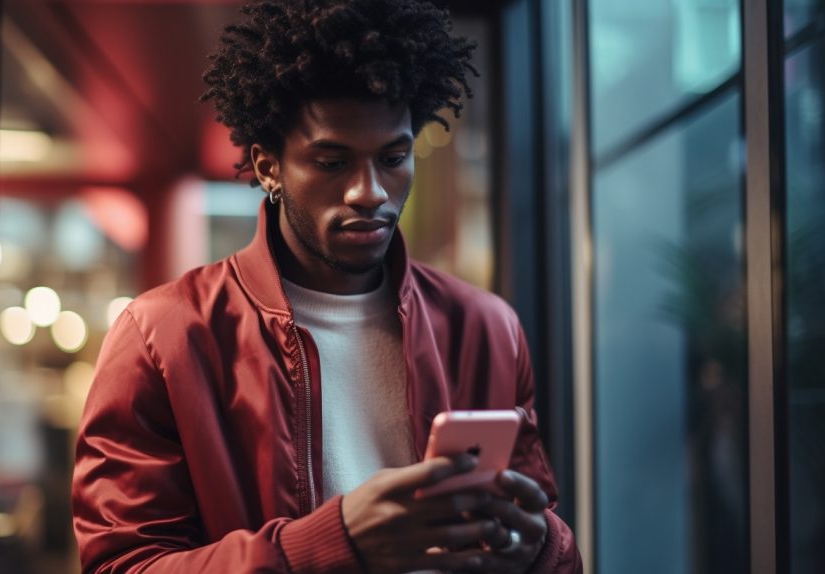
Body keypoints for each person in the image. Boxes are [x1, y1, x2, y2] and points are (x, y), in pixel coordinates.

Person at [72, 1, 582, 572]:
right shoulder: (162, 336)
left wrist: (539, 547)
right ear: (268, 167)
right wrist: (331, 545)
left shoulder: (486, 327)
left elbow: (550, 543)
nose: (370, 191)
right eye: (333, 162)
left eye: (393, 157)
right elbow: (122, 565)